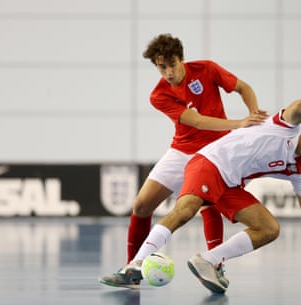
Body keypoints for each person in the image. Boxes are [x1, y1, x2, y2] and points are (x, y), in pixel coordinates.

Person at [106, 99, 301, 293]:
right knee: (186, 210)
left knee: (269, 228)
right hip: (210, 162)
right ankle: (136, 264)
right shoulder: (286, 128)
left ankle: (209, 260)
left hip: (230, 185)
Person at [98, 33, 268, 288]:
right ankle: (132, 269)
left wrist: (253, 114)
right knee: (142, 205)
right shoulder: (158, 95)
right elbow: (196, 121)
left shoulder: (207, 69)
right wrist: (240, 124)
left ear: (182, 60)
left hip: (217, 151)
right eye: (161, 67)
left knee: (208, 205)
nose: (167, 72)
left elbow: (244, 88)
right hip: (182, 150)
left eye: (171, 64)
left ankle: (215, 267)